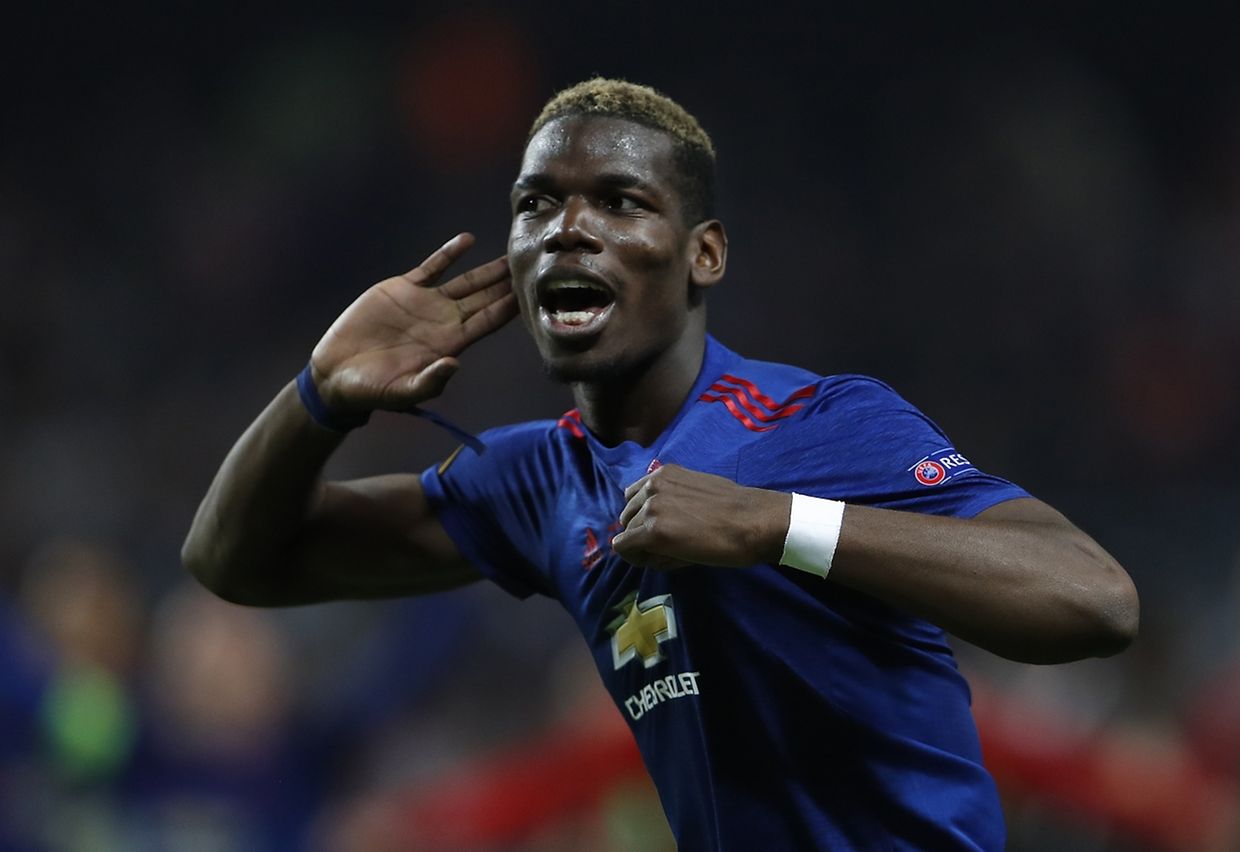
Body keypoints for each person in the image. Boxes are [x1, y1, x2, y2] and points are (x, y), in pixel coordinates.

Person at [183, 78, 1140, 851]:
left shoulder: (816, 422)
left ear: (703, 255)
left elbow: (1096, 599)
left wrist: (768, 527)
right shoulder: (538, 481)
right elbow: (239, 562)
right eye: (538, 206)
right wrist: (316, 397)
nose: (568, 227)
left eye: (619, 202)